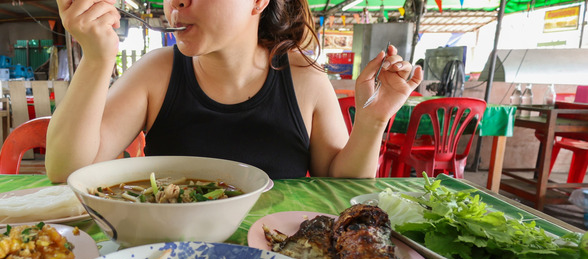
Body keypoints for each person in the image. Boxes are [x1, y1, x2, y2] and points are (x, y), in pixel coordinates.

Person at [46, 0, 422, 183]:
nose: (176, 2)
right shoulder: (156, 72)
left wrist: (372, 120)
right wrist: (96, 57)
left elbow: (338, 186)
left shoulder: (304, 77)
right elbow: (69, 172)